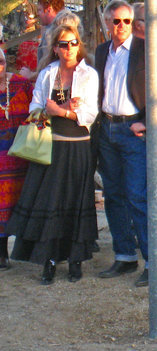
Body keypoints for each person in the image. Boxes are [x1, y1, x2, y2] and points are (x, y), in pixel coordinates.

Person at [8, 24, 99, 284]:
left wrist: (60, 110)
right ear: (56, 48)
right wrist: (61, 108)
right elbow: (36, 106)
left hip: (78, 145)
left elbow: (89, 115)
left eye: (72, 43)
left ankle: (75, 261)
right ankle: (48, 260)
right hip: (51, 146)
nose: (68, 48)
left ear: (78, 45)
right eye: (62, 44)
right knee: (51, 202)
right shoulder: (48, 73)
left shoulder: (89, 74)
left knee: (76, 201)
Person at [94, 0, 150, 282]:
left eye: (126, 21)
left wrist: (148, 121)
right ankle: (125, 256)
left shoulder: (144, 50)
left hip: (133, 130)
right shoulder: (102, 51)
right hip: (108, 128)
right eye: (115, 21)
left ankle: (153, 262)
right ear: (106, 22)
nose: (121, 26)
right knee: (113, 196)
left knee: (138, 196)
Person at [0, 48, 34, 270]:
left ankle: (26, 250)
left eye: (0, 61)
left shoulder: (21, 84)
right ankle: (1, 254)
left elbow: (37, 111)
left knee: (22, 202)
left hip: (21, 154)